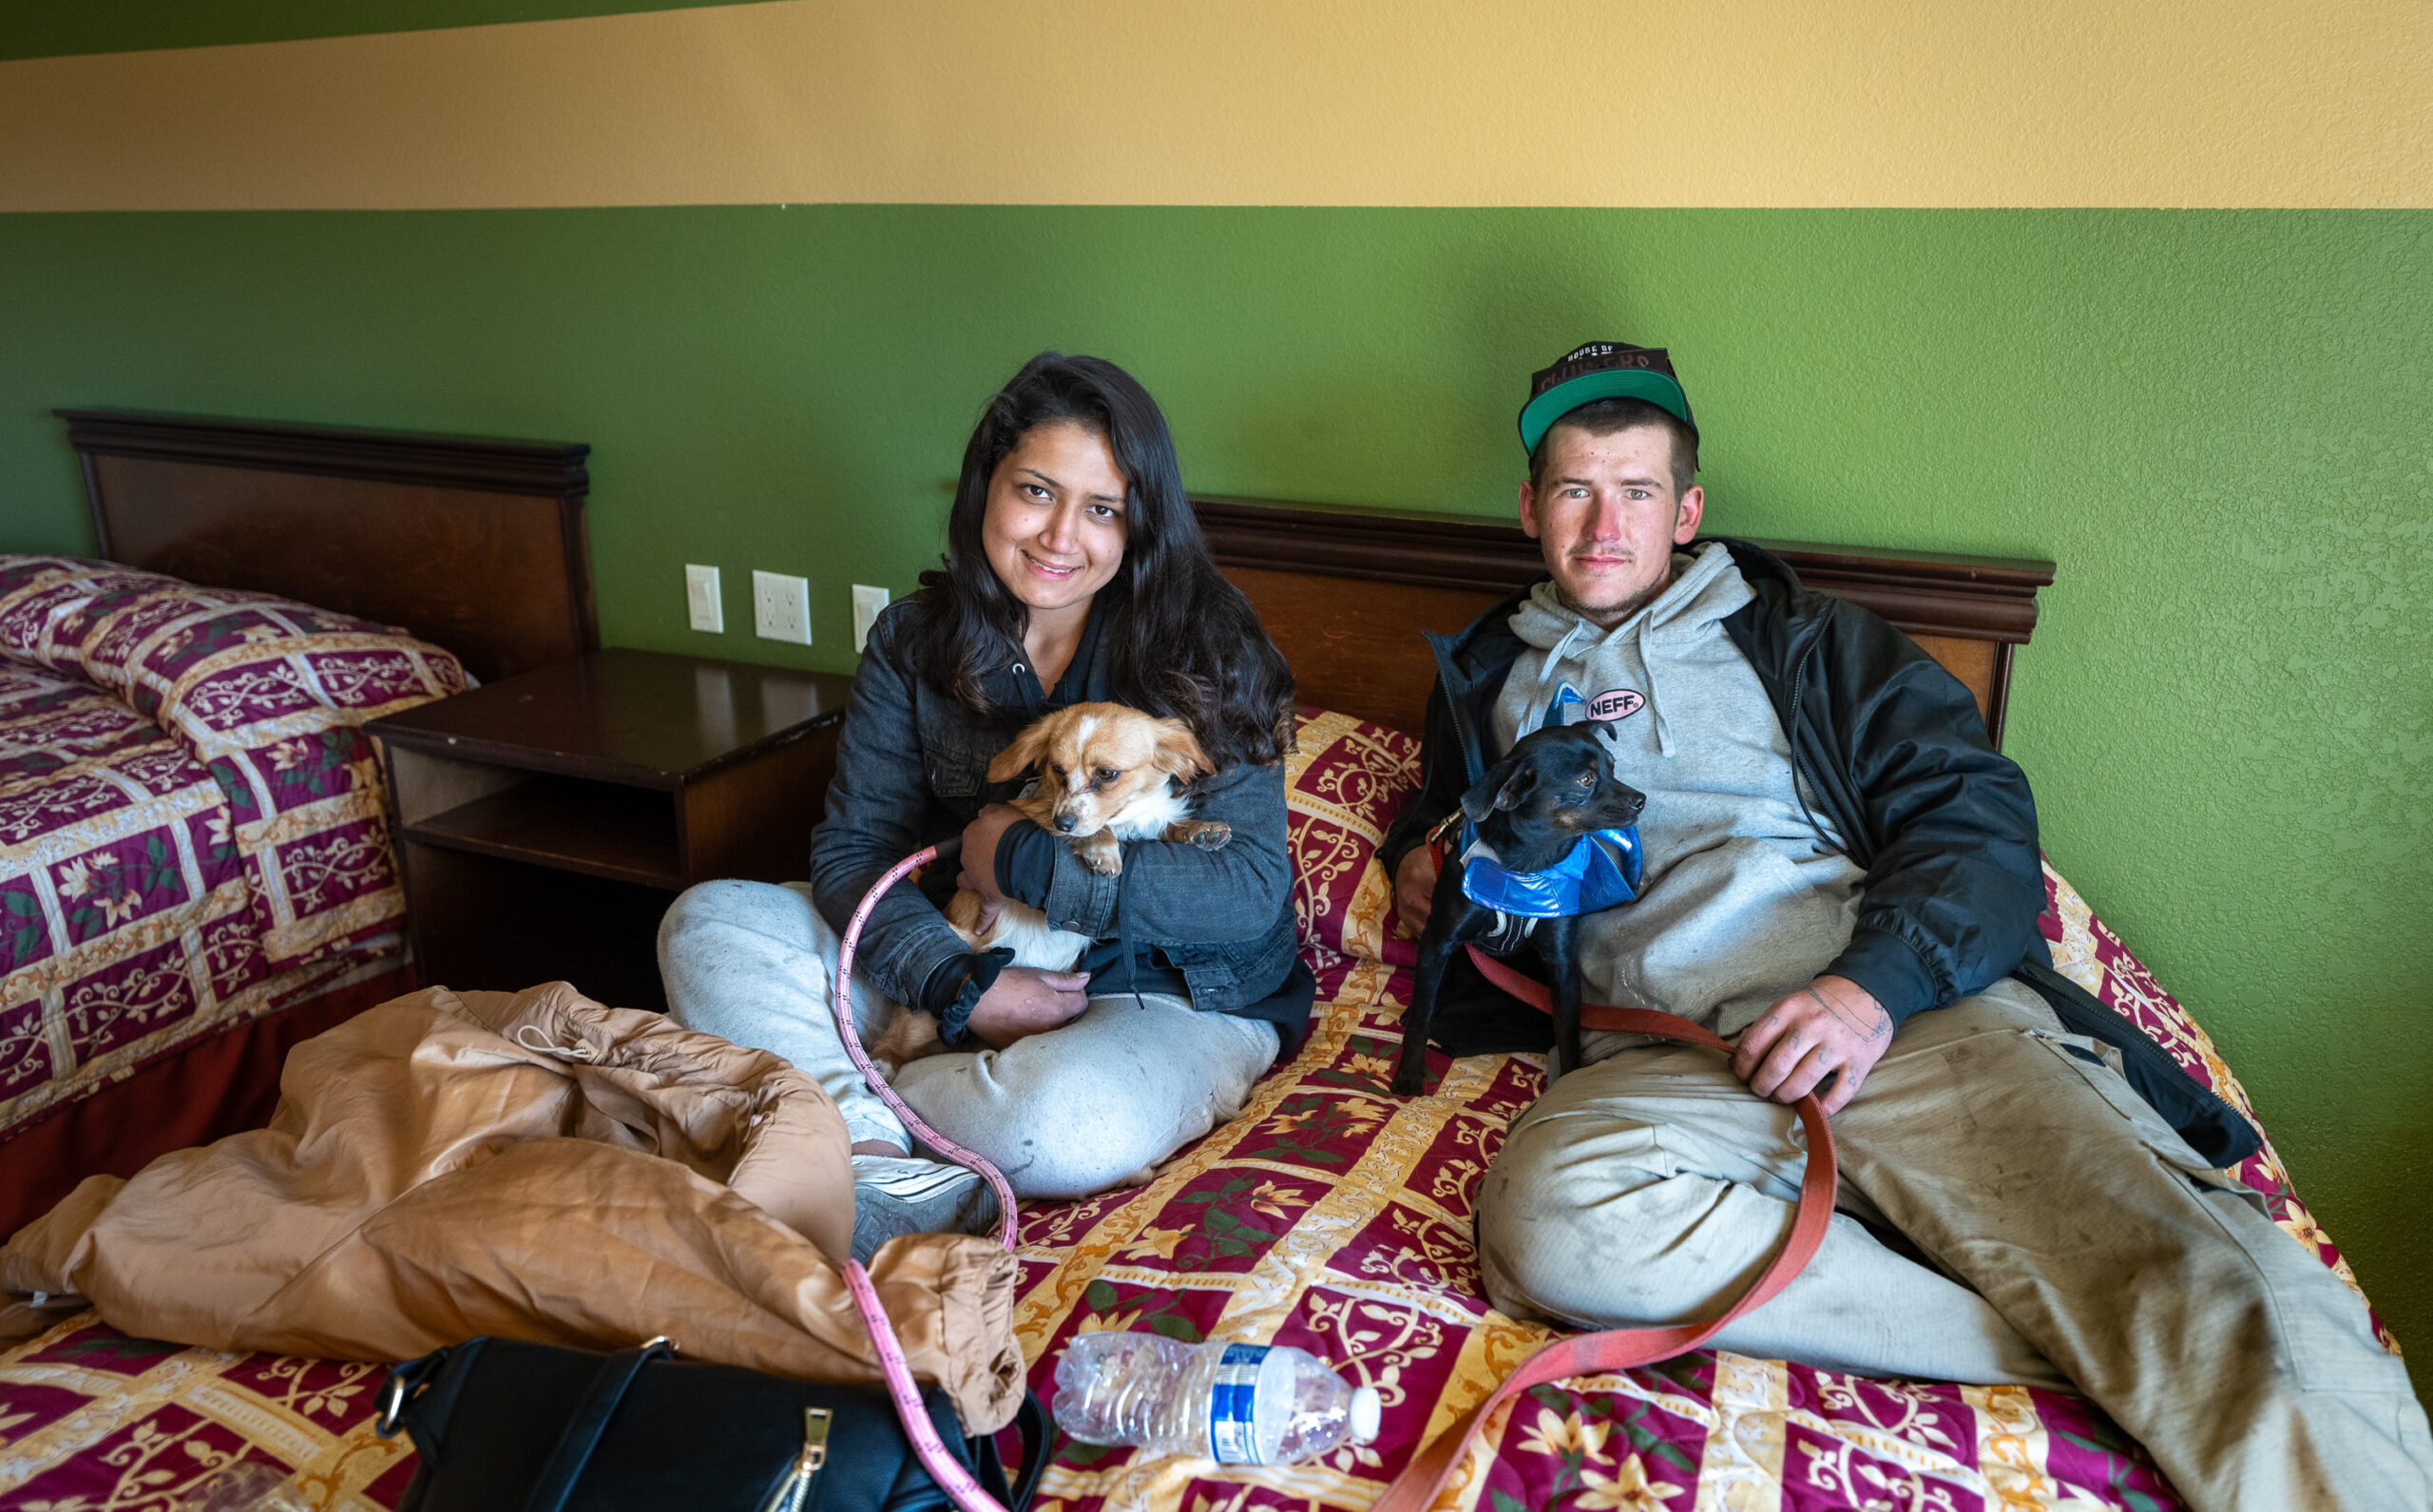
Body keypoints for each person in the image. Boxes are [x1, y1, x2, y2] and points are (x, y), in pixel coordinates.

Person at [1376, 341, 2431, 1512]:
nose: (1602, 526)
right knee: (1542, 1224)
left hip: (1898, 1023)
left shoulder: (1814, 644)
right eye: (1574, 490)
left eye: (1635, 491)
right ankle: (2081, 1348)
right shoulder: (1481, 674)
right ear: (1530, 508)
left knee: (2208, 1289)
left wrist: (1865, 990)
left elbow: (1977, 827)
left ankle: (2166, 1346)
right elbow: (1447, 829)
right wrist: (1424, 866)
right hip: (1671, 1069)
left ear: (1687, 510)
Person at [660, 352, 1304, 1260]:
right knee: (706, 923)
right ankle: (886, 1153)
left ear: (1137, 526)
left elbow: (1245, 890)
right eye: (1036, 490)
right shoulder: (913, 641)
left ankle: (823, 1112)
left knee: (1068, 1119)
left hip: (1160, 993)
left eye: (1103, 508)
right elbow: (853, 853)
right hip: (960, 952)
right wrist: (961, 985)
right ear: (985, 488)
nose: (1060, 536)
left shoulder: (1208, 646)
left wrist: (1022, 859)